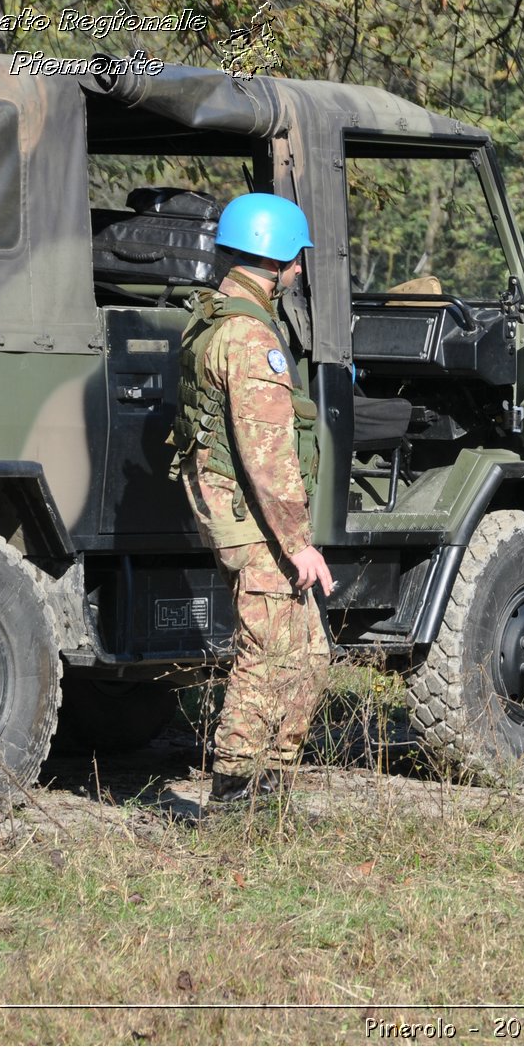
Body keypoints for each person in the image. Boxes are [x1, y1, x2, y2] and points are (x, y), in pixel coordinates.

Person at [170, 192, 336, 805]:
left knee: (308, 654)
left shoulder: (215, 316)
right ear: (280, 259)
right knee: (269, 657)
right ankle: (239, 795)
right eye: (297, 262)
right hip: (259, 522)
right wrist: (300, 544)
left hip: (246, 515)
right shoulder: (247, 336)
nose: (299, 272)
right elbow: (267, 456)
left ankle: (272, 785)